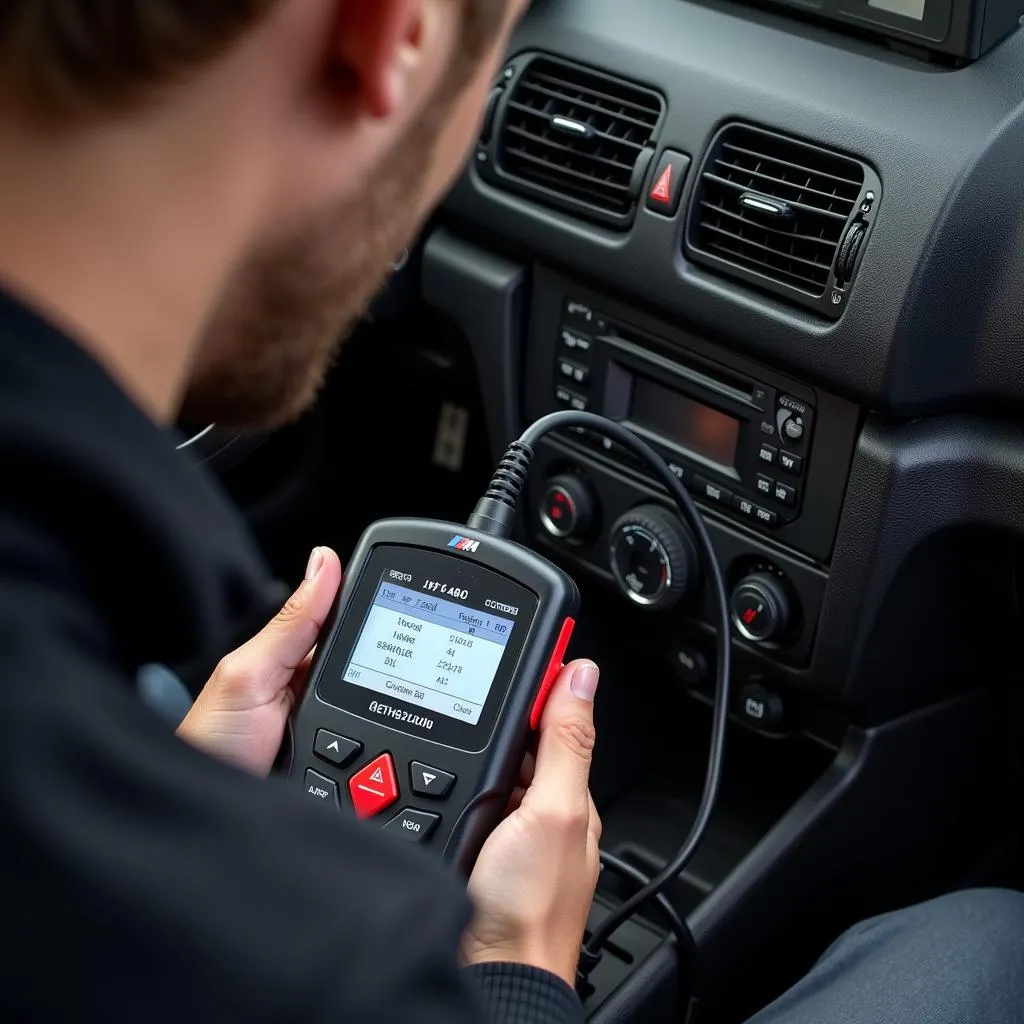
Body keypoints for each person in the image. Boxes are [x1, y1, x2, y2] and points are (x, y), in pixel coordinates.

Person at [0, 3, 1021, 1024]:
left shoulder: (86, 727)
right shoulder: (334, 965)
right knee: (987, 944)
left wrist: (188, 804)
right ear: (389, 37)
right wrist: (516, 967)